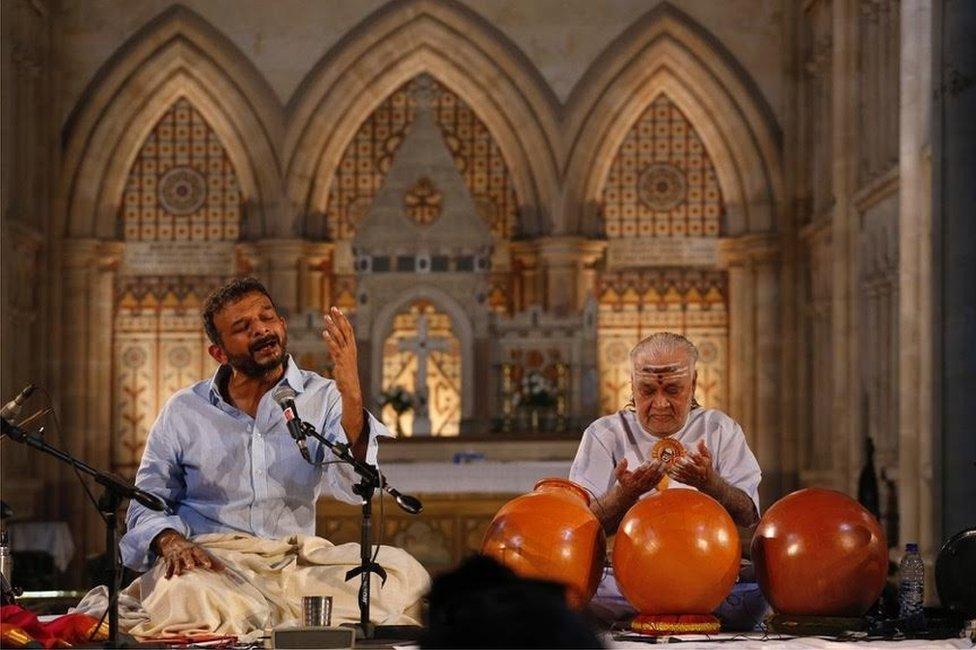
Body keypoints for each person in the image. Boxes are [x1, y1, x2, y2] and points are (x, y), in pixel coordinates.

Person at [111, 277, 427, 637]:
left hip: (295, 565)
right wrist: (170, 540)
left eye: (267, 318)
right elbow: (144, 504)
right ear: (219, 352)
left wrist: (351, 392)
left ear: (282, 324)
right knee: (188, 595)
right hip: (212, 564)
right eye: (243, 327)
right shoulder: (184, 410)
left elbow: (356, 488)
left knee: (404, 575)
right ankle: (286, 623)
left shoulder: (322, 396)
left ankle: (265, 620)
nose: (261, 330)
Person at [569, 332, 766, 628]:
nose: (660, 404)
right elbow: (584, 525)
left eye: (673, 390)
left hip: (707, 579)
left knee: (759, 590)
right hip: (626, 581)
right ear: (632, 385)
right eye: (648, 390)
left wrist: (710, 483)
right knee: (572, 589)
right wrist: (626, 493)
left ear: (694, 384)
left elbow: (749, 515)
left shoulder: (720, 430)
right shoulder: (604, 434)